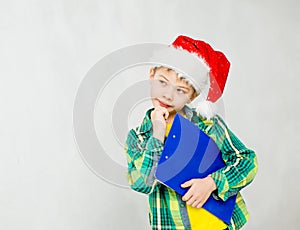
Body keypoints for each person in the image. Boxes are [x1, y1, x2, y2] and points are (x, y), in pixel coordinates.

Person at [124, 35, 258, 230]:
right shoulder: (139, 137)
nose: (168, 95)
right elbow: (142, 184)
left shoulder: (207, 124)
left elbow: (247, 161)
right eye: (162, 82)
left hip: (220, 224)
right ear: (151, 74)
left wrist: (212, 183)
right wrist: (158, 134)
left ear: (192, 96)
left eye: (180, 90)